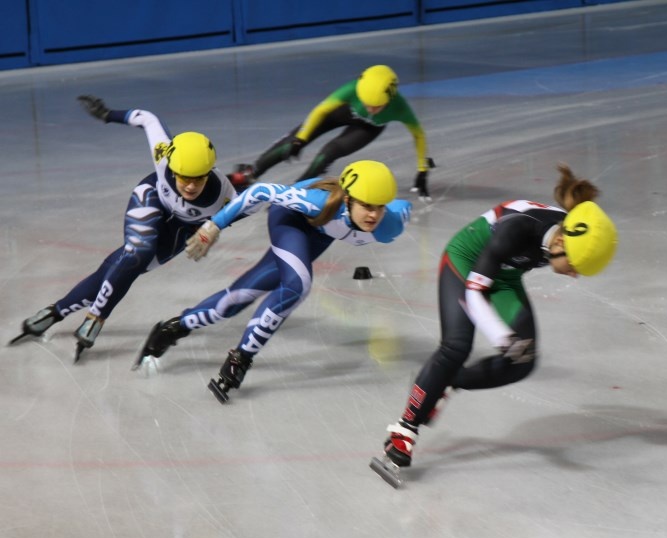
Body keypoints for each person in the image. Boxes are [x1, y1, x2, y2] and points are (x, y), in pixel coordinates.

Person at [369, 164, 618, 487]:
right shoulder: (518, 230)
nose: (574, 275)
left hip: (504, 276)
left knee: (522, 362)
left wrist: (510, 345)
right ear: (559, 245)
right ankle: (403, 432)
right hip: (465, 263)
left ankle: (441, 382)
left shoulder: (567, 231)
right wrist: (502, 337)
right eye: (575, 267)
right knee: (457, 345)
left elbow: (504, 281)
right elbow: (474, 292)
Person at [135, 159, 412, 403]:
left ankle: (174, 328)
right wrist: (213, 225)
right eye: (366, 206)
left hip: (318, 233)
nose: (374, 215)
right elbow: (259, 192)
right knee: (297, 284)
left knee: (237, 298)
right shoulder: (317, 201)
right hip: (289, 220)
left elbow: (402, 207)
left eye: (379, 207)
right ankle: (240, 358)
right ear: (348, 199)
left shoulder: (392, 222)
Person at [9, 96, 235, 362]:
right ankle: (96, 318)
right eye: (183, 176)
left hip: (181, 230)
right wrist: (107, 114)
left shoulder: (226, 196)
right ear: (171, 167)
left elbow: (259, 199)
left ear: (209, 172)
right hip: (151, 198)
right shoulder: (164, 155)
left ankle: (53, 313)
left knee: (122, 268)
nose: (189, 186)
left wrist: (214, 227)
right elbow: (148, 119)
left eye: (198, 179)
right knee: (138, 251)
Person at [227, 65, 434, 202]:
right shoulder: (353, 89)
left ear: (390, 99)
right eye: (366, 103)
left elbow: (419, 135)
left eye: (377, 106)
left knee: (328, 153)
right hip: (339, 113)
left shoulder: (400, 107)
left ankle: (295, 194)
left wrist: (422, 169)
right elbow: (321, 110)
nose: (370, 109)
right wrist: (301, 139)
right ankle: (251, 173)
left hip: (366, 129)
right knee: (293, 141)